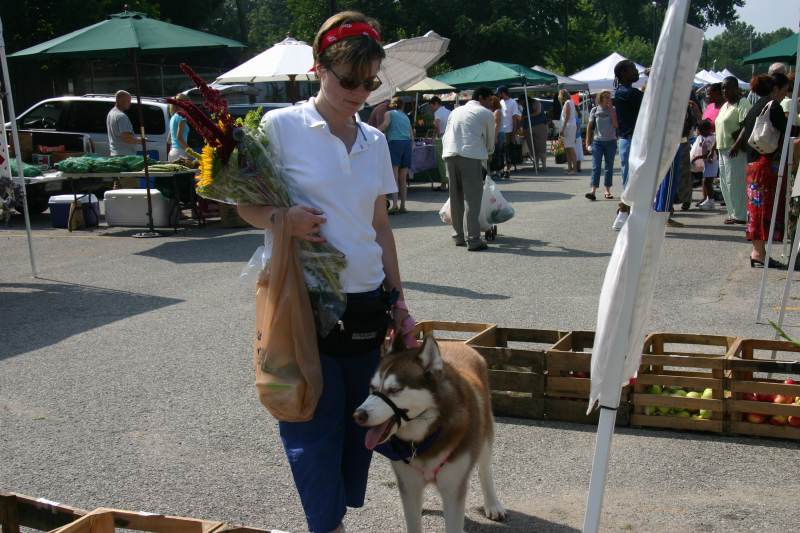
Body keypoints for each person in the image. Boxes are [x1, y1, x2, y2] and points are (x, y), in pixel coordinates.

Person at [238, 12, 410, 533]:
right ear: (320, 68)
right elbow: (245, 205)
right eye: (349, 79)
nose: (359, 92)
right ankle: (326, 525)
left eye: (370, 82)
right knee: (310, 420)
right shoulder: (282, 127)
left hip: (365, 301)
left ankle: (335, 514)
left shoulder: (374, 141)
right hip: (304, 300)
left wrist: (399, 299)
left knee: (359, 421)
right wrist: (282, 219)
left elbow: (379, 226)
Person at [733, 73, 790, 269]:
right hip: (764, 165)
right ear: (775, 89)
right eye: (784, 91)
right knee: (762, 209)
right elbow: (787, 132)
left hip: (753, 165)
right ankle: (759, 253)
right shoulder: (773, 107)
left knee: (755, 209)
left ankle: (758, 252)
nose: (785, 95)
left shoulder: (755, 107)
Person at [442, 85, 495, 251]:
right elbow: (490, 140)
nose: (490, 103)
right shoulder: (486, 113)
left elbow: (446, 134)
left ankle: (458, 236)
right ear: (482, 98)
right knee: (472, 199)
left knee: (455, 197)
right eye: (489, 99)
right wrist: (489, 153)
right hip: (470, 155)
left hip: (450, 154)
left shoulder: (456, 111)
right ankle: (473, 239)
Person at [611, 59, 644, 230]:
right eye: (633, 69)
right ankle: (623, 211)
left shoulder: (622, 91)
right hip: (632, 140)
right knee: (631, 178)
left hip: (628, 139)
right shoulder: (629, 93)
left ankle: (626, 212)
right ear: (623, 73)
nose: (637, 72)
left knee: (631, 177)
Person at [715, 75, 752, 225]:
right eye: (722, 88)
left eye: (727, 87)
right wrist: (713, 148)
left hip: (735, 149)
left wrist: (736, 144)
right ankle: (732, 212)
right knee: (725, 183)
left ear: (736, 88)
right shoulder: (725, 105)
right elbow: (720, 127)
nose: (724, 90)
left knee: (736, 182)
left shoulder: (742, 103)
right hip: (722, 148)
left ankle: (741, 215)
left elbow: (746, 125)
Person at [379, 96, 413, 214]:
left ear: (391, 105)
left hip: (395, 143)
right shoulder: (406, 116)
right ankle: (403, 206)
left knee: (394, 177)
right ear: (402, 106)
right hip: (407, 144)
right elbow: (411, 134)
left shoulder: (389, 113)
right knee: (403, 178)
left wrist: (373, 131)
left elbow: (385, 125)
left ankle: (394, 205)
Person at [584, 90, 618, 201]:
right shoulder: (594, 110)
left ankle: (607, 190)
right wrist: (587, 143)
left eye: (609, 97)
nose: (609, 99)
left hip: (611, 142)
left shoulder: (613, 109)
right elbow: (589, 127)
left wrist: (611, 110)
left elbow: (615, 125)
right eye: (606, 97)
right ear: (600, 98)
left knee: (609, 167)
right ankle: (593, 191)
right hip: (597, 142)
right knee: (596, 167)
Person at [691, 119, 718, 210]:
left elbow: (707, 154)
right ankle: (708, 199)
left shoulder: (710, 139)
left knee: (708, 182)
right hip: (708, 163)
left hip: (711, 163)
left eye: (701, 130)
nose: (699, 132)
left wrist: (696, 158)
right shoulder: (705, 137)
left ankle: (711, 201)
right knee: (706, 181)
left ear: (707, 130)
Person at [497, 85, 520, 179]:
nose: (498, 95)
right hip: (501, 130)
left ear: (503, 93)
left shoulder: (513, 102)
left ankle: (508, 170)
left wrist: (514, 133)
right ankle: (501, 169)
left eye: (499, 93)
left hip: (509, 130)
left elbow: (514, 118)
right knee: (501, 151)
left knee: (508, 151)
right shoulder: (500, 102)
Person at [106, 90, 139, 156]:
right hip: (125, 155)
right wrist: (140, 140)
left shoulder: (111, 113)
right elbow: (126, 138)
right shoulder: (121, 116)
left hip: (115, 153)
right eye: (128, 101)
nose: (130, 103)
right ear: (121, 101)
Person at [429, 96, 451, 191]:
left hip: (441, 138)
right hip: (449, 137)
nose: (432, 108)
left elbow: (437, 124)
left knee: (441, 161)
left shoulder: (437, 112)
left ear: (436, 104)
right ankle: (449, 183)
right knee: (448, 160)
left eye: (432, 106)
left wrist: (438, 135)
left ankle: (444, 183)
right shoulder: (449, 111)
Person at [558, 89, 578, 175]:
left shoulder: (567, 103)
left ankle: (574, 169)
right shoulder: (570, 102)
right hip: (570, 127)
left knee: (570, 148)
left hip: (568, 127)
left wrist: (562, 129)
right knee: (567, 148)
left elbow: (567, 116)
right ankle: (570, 168)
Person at [168, 93, 192, 161]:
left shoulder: (172, 118)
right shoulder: (182, 117)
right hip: (181, 153)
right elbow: (179, 138)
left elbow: (169, 140)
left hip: (172, 153)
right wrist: (191, 153)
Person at [529, 97, 548, 170]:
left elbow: (538, 112)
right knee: (535, 148)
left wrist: (528, 115)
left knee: (541, 147)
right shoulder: (533, 104)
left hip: (540, 126)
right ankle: (537, 164)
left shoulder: (537, 103)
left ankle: (543, 165)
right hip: (533, 126)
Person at [488, 95, 503, 179]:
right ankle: (496, 171)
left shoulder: (497, 111)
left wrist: (495, 137)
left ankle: (497, 171)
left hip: (498, 133)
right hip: (496, 133)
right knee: (495, 153)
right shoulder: (492, 111)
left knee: (496, 153)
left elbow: (497, 125)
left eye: (490, 101)